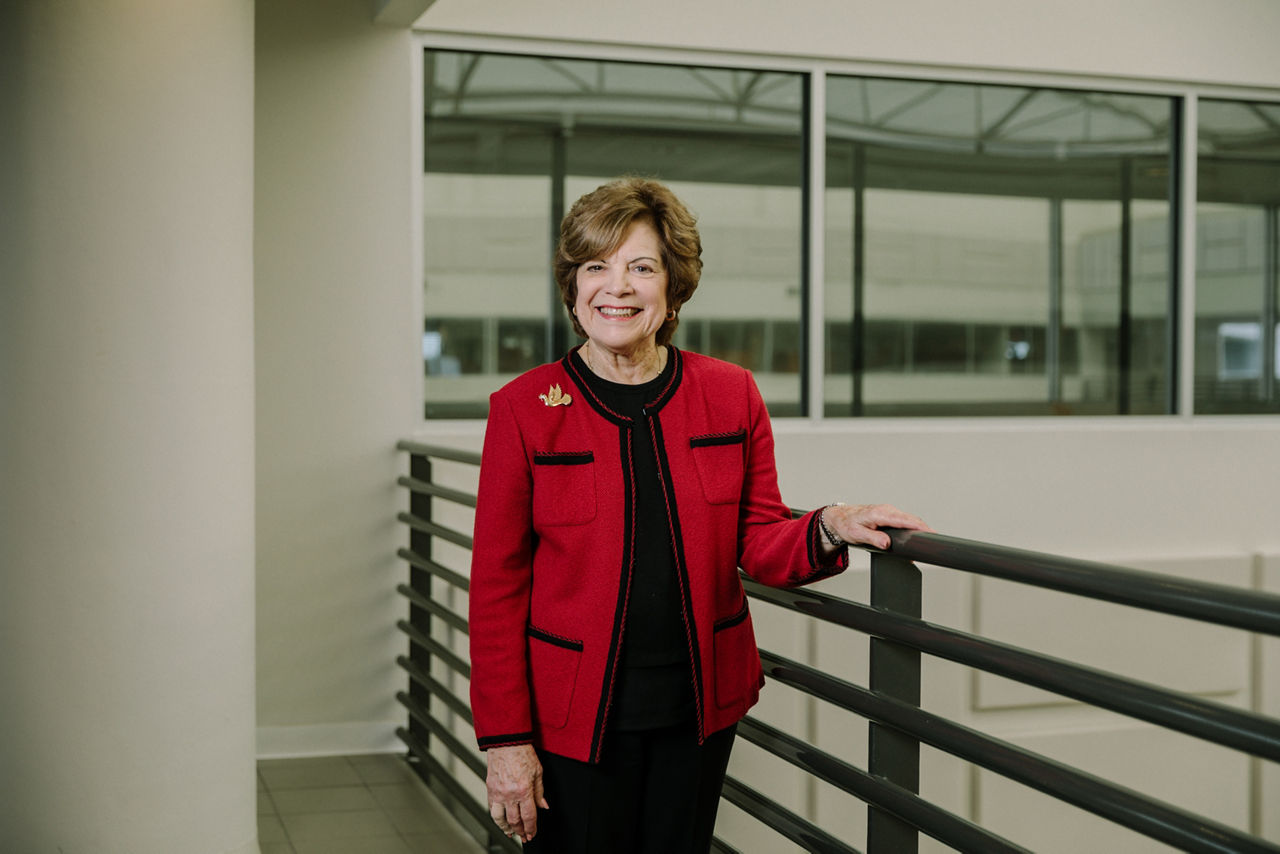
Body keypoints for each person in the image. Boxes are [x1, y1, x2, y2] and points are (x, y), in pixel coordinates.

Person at [468, 177, 929, 853]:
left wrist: (828, 524)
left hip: (699, 709)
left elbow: (760, 540)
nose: (616, 287)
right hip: (571, 716)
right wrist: (507, 740)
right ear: (572, 287)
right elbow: (496, 588)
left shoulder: (730, 394)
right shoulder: (524, 408)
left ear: (673, 288)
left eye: (641, 268)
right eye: (596, 267)